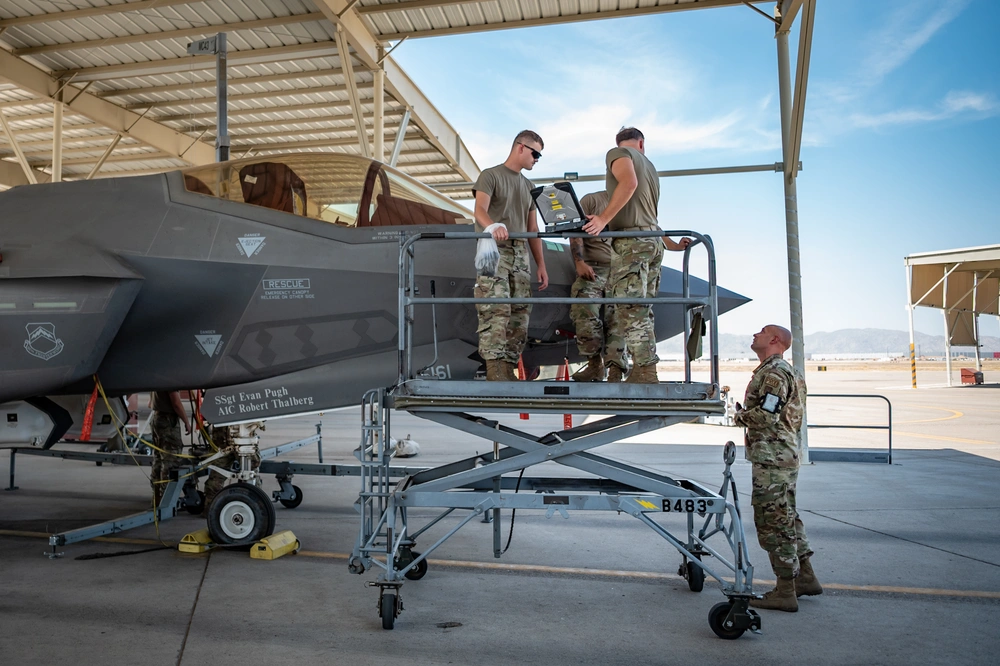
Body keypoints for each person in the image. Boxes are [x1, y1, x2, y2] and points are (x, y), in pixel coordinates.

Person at [582, 127, 690, 383]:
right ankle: (644, 368)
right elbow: (648, 218)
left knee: (630, 309)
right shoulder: (650, 167)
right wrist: (672, 245)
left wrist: (602, 219)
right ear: (642, 144)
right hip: (652, 243)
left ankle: (645, 370)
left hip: (632, 243)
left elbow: (628, 183)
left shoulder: (618, 153)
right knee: (642, 309)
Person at [733, 324, 822, 612]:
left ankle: (785, 590)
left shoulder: (773, 373)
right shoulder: (785, 371)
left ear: (774, 340)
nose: (754, 334)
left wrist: (737, 417)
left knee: (773, 522)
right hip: (781, 457)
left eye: (761, 331)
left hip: (772, 459)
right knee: (787, 516)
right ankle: (805, 577)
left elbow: (767, 416)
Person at [473, 130, 549, 380]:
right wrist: (493, 226)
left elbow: (532, 228)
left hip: (519, 254)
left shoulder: (529, 186)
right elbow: (479, 210)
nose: (536, 159)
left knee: (520, 311)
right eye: (535, 153)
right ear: (520, 147)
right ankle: (494, 368)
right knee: (496, 309)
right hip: (492, 250)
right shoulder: (490, 176)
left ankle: (507, 366)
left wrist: (541, 264)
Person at [569, 190, 625, 382]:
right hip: (594, 269)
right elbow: (576, 232)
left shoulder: (632, 203)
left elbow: (652, 227)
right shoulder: (592, 200)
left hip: (622, 271)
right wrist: (579, 262)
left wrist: (674, 245)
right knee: (584, 310)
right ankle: (594, 366)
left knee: (619, 319)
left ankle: (616, 371)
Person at [149, 390, 190, 505]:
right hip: (167, 420)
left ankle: (156, 498)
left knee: (158, 458)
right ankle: (165, 500)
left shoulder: (157, 374)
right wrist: (186, 422)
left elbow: (149, 403)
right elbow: (176, 403)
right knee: (170, 460)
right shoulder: (171, 378)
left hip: (157, 417)